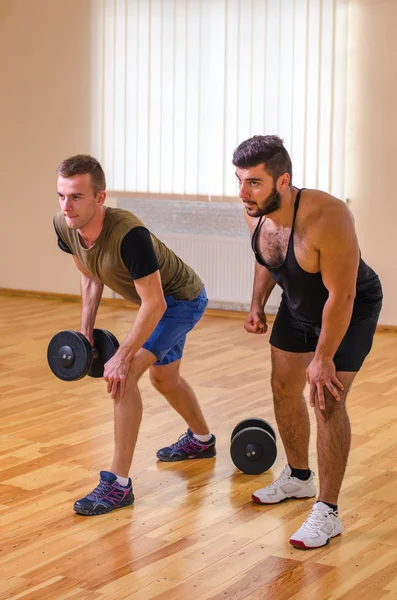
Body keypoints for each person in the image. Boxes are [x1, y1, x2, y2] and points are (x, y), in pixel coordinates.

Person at [233, 135, 382, 549]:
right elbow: (267, 256)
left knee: (327, 399)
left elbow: (343, 295)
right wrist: (257, 305)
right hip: (298, 306)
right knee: (283, 386)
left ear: (282, 181)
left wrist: (324, 356)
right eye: (239, 181)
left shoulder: (328, 216)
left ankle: (328, 512)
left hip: (350, 307)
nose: (243, 193)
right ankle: (299, 477)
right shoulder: (255, 211)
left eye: (253, 183)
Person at [54, 154, 216, 516]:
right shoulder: (65, 226)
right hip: (158, 303)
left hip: (181, 301)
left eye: (77, 196)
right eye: (62, 195)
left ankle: (118, 484)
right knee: (165, 379)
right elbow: (90, 274)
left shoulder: (130, 235)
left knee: (124, 377)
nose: (67, 205)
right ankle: (202, 441)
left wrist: (123, 355)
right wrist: (85, 333)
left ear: (100, 198)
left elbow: (155, 303)